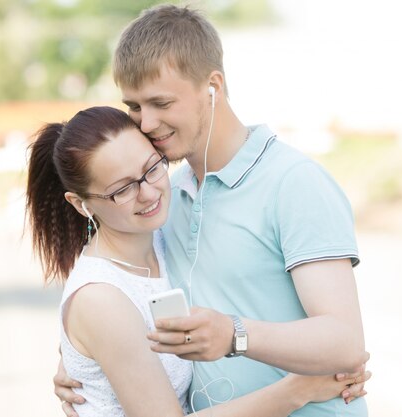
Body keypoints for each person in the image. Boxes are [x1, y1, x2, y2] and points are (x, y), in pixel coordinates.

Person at [55, 4, 370, 416]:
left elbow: (346, 341)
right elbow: (116, 295)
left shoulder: (293, 182)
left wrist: (234, 335)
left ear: (213, 87)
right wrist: (79, 359)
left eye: (161, 103)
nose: (146, 123)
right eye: (133, 106)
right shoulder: (170, 197)